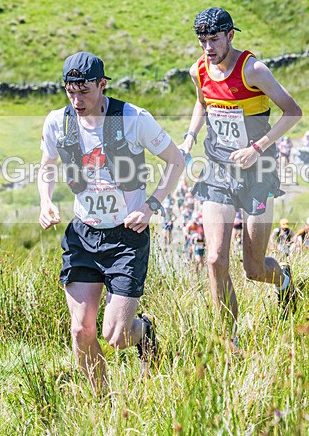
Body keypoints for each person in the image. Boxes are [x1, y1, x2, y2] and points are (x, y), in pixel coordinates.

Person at [38, 51, 185, 395]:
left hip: (126, 236)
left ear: (102, 85)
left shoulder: (134, 119)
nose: (76, 100)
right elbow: (47, 164)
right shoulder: (57, 122)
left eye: (84, 92)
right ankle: (101, 403)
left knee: (116, 336)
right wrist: (46, 201)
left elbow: (176, 161)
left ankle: (144, 332)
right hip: (83, 235)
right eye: (69, 91)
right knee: (80, 330)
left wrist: (151, 206)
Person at [176, 7, 302, 338]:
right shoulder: (198, 70)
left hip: (257, 173)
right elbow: (203, 104)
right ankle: (229, 340)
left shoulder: (254, 69)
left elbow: (292, 112)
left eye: (214, 40)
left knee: (254, 269)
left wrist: (257, 147)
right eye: (202, 41)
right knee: (215, 259)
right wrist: (189, 138)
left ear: (230, 36)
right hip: (218, 171)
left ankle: (285, 281)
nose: (208, 48)